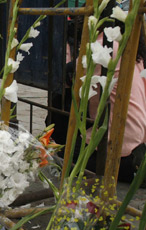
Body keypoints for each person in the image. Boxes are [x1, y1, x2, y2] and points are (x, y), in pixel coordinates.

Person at [48, 1, 146, 184]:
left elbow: (70, 79)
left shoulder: (104, 47)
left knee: (60, 150)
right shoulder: (131, 47)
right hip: (138, 138)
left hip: (116, 148)